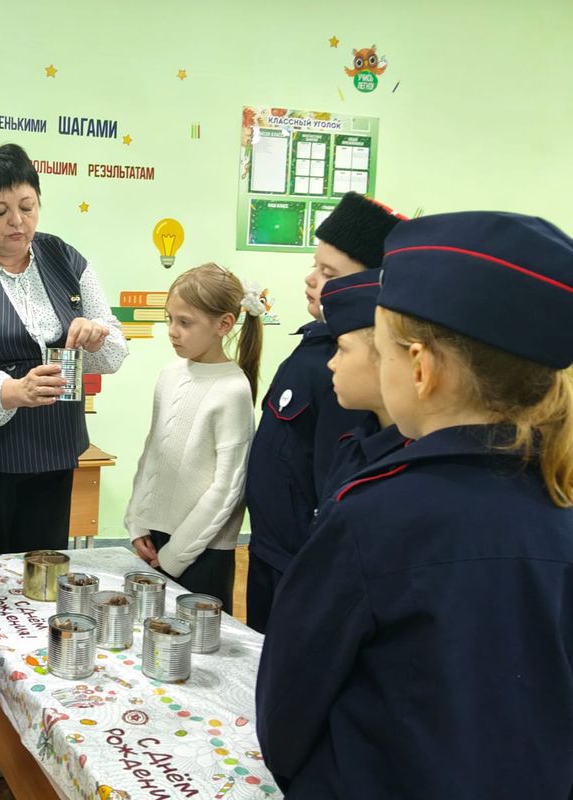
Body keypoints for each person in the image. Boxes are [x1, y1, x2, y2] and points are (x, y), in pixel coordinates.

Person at [256, 211, 573, 798]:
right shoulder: (559, 495)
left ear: (421, 369)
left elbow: (287, 707)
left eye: (381, 350)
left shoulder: (375, 515)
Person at [0, 142, 129, 556]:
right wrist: (12, 391)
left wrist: (97, 336)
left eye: (27, 206)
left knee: (44, 569)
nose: (17, 221)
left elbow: (113, 344)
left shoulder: (66, 259)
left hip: (56, 451)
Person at [244, 191, 405, 633]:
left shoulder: (353, 372)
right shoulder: (316, 343)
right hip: (270, 549)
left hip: (301, 560)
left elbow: (335, 475)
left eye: (329, 273)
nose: (311, 279)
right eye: (315, 266)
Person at [125, 264, 263, 612]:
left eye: (185, 323)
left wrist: (176, 555)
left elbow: (228, 488)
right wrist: (136, 521)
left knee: (196, 643)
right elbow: (153, 453)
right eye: (169, 319)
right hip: (154, 541)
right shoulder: (169, 374)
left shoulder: (233, 389)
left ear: (224, 324)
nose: (173, 331)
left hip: (203, 552)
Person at [315, 270, 410, 504]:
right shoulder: (354, 443)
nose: (331, 363)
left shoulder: (415, 466)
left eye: (342, 348)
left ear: (387, 356)